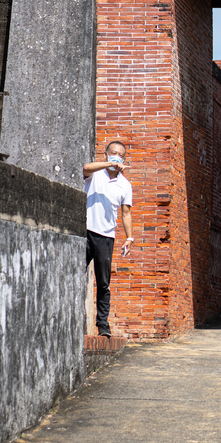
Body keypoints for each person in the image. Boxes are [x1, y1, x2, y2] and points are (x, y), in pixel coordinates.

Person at [83, 141, 134, 337]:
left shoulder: (125, 185)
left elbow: (126, 213)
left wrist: (130, 238)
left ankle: (103, 325)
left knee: (103, 282)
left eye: (120, 155)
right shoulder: (96, 174)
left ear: (124, 159)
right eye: (113, 153)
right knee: (75, 276)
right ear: (106, 155)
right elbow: (86, 168)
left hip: (106, 237)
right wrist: (107, 165)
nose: (116, 157)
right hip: (85, 231)